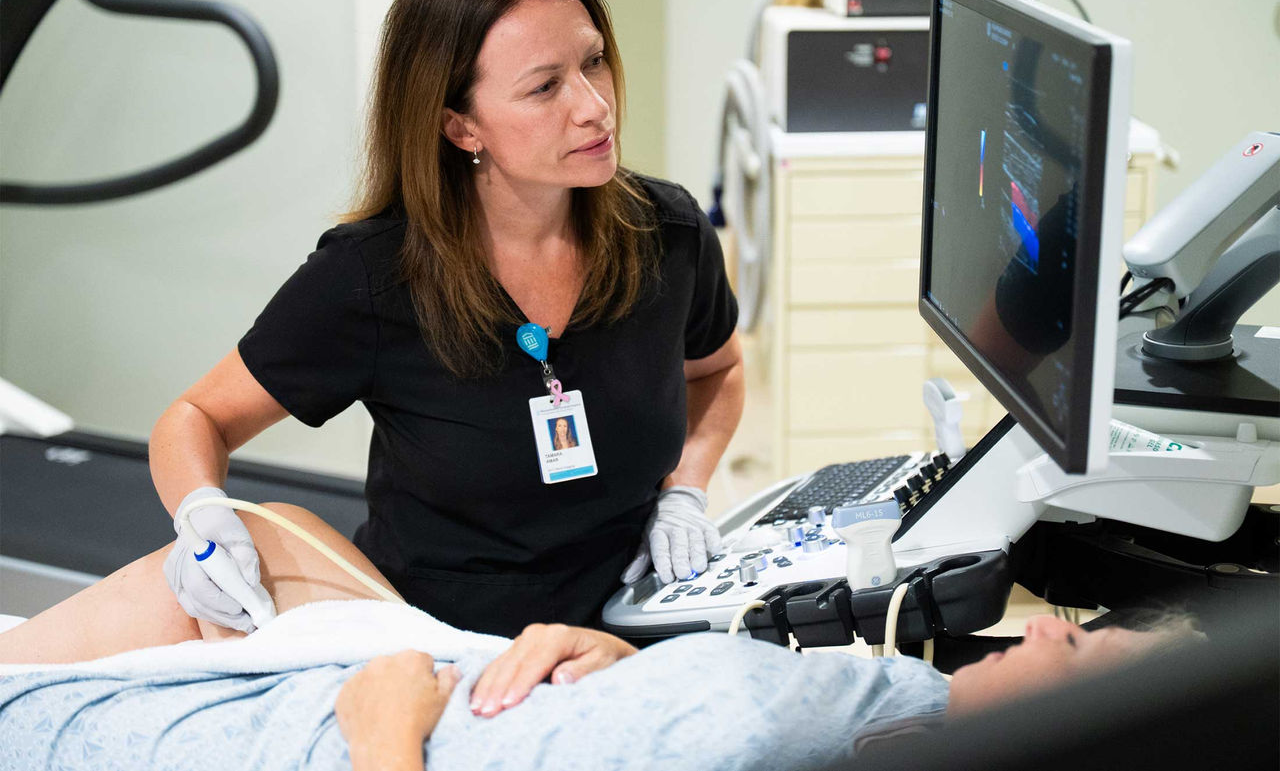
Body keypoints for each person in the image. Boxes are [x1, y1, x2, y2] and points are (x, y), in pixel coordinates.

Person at [148, 0, 743, 639]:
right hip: (444, 654)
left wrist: (687, 492)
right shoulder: (373, 276)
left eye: (593, 62)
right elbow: (195, 416)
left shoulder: (665, 232)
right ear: (460, 125)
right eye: (544, 86)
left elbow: (720, 370)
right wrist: (200, 516)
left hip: (630, 630)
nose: (594, 106)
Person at [0, 502, 1201, 771]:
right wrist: (628, 663)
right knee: (253, 537)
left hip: (361, 731)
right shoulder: (869, 718)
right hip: (480, 676)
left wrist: (384, 735)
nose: (1050, 640)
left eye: (1082, 654)